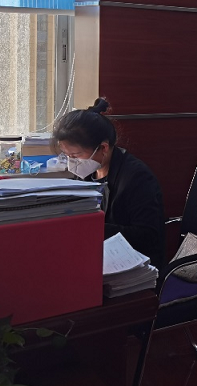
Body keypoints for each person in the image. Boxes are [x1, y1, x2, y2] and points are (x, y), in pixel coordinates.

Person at [52, 98, 165, 270]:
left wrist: (92, 227)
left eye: (75, 155)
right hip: (99, 252)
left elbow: (148, 235)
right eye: (67, 156)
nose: (72, 162)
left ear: (103, 148)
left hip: (134, 263)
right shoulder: (88, 172)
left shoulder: (137, 178)